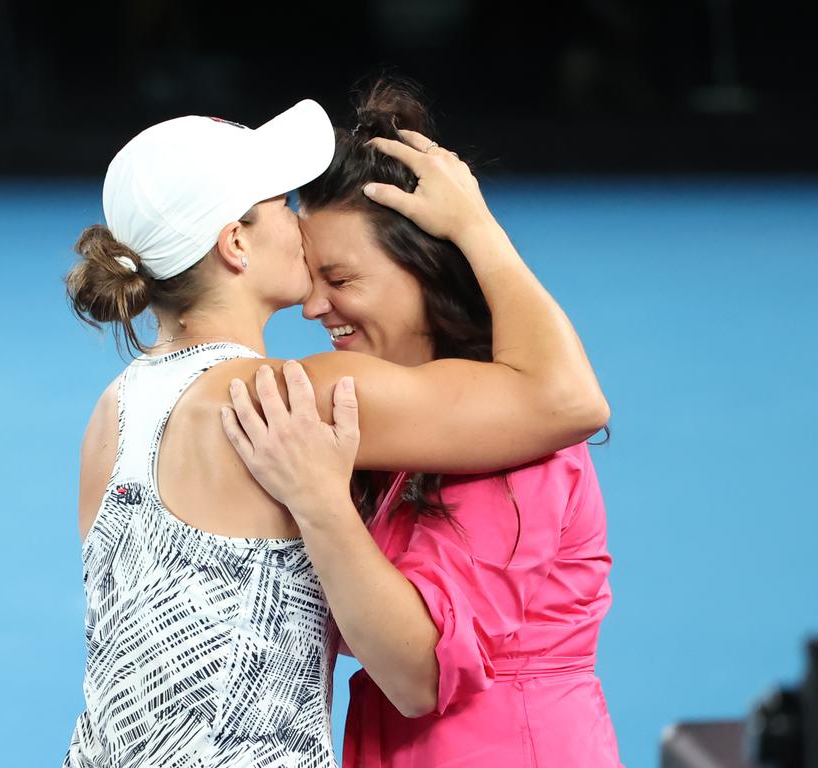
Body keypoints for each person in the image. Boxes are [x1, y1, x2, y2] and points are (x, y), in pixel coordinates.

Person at [63, 95, 608, 767]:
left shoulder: (111, 414)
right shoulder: (292, 397)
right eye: (280, 206)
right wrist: (475, 225)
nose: (298, 222)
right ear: (236, 242)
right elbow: (567, 398)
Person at [221, 81, 622, 766]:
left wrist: (319, 503)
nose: (314, 306)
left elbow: (421, 675)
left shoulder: (512, 439)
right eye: (310, 276)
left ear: (425, 270)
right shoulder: (390, 419)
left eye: (340, 278)